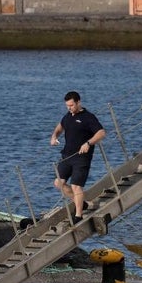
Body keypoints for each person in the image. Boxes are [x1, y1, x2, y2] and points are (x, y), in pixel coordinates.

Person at [50, 91, 106, 223]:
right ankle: (81, 202)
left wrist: (88, 143)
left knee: (76, 186)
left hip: (81, 158)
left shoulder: (88, 117)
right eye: (67, 106)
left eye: (71, 105)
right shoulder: (68, 116)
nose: (69, 108)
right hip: (66, 156)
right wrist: (54, 137)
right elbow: (59, 127)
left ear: (78, 102)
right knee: (58, 183)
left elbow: (101, 133)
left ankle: (78, 216)